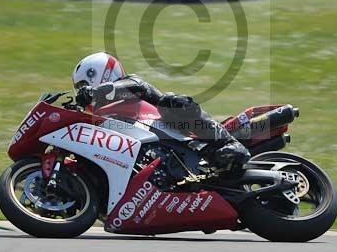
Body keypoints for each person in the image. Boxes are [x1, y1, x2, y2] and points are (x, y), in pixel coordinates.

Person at [71, 52, 250, 175]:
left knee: (171, 102)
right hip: (156, 155)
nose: (82, 91)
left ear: (100, 74)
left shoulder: (130, 83)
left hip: (178, 133)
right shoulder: (103, 116)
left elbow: (136, 88)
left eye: (83, 85)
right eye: (80, 89)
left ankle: (228, 143)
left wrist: (96, 92)